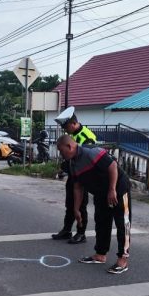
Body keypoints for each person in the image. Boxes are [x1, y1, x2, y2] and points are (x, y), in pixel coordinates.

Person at [56, 135, 132, 274]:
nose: (61, 154)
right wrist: (76, 209)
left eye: (61, 151)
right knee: (101, 222)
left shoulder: (91, 153)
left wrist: (112, 190)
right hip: (100, 193)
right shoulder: (72, 164)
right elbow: (78, 187)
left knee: (123, 224)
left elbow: (112, 166)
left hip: (118, 189)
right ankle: (100, 254)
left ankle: (122, 260)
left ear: (70, 147)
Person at [51, 106, 97, 244]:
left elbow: (86, 159)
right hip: (72, 174)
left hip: (83, 175)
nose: (65, 130)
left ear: (73, 123)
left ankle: (81, 233)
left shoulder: (87, 137)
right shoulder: (72, 135)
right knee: (70, 203)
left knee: (80, 205)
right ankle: (67, 230)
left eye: (66, 127)